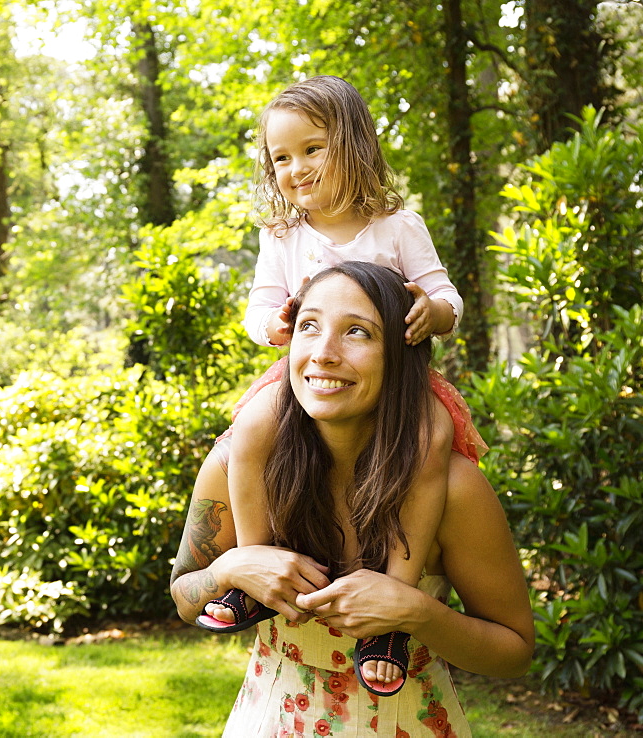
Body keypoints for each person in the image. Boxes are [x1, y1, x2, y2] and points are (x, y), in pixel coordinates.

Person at [196, 75, 487, 696]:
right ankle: (255, 570)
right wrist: (272, 325)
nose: (295, 167)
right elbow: (260, 307)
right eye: (281, 157)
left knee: (432, 439)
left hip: (398, 382)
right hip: (303, 377)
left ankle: (394, 607)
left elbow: (444, 294)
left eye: (312, 148)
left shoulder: (398, 227)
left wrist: (432, 314)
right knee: (249, 428)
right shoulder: (282, 237)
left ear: (353, 144)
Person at [171, 262, 534, 736]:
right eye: (309, 326)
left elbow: (514, 653)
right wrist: (231, 569)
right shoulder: (236, 463)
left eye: (358, 332)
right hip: (268, 720)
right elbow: (184, 595)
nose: (324, 353)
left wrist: (419, 614)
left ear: (401, 355)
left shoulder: (453, 489)